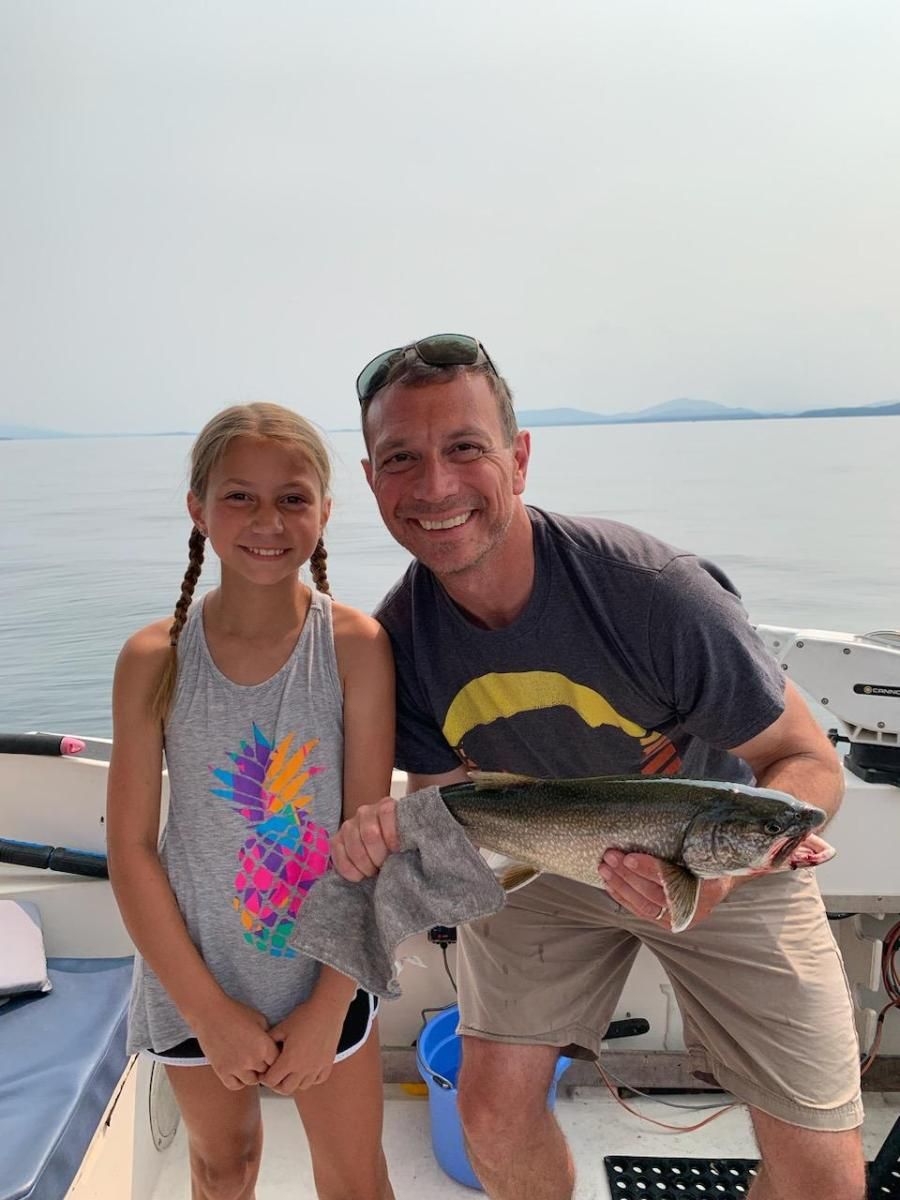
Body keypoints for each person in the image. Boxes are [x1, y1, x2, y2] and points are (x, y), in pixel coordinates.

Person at [331, 335, 865, 1200]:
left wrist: (718, 877)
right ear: (370, 479)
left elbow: (806, 761)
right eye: (402, 458)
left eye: (465, 447)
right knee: (491, 1113)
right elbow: (441, 805)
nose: (435, 485)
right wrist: (386, 854)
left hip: (719, 851)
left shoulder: (655, 595)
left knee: (824, 1175)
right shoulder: (402, 641)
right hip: (542, 859)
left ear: (519, 457)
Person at [107, 402, 395, 1200]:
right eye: (239, 496)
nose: (268, 521)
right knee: (221, 1167)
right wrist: (206, 1010)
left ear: (324, 512)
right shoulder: (153, 658)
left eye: (292, 498)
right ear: (198, 508)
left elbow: (368, 843)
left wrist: (330, 1004)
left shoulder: (356, 649)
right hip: (191, 974)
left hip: (328, 971)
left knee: (356, 1180)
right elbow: (130, 849)